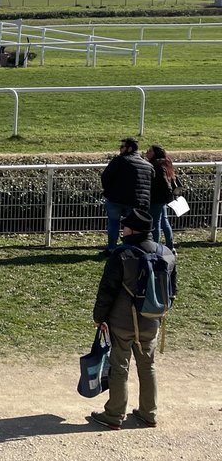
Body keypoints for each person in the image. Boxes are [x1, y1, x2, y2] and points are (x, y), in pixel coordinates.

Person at [90, 208, 177, 430]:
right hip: (152, 320)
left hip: (122, 322)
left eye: (125, 226)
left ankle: (114, 414)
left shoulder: (122, 254)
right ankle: (149, 413)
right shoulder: (167, 253)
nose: (122, 229)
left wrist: (99, 317)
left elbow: (106, 290)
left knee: (119, 366)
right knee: (148, 365)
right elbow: (173, 291)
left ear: (133, 229)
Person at [100, 137, 153, 254]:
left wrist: (108, 191)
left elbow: (105, 177)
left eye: (122, 147)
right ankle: (129, 249)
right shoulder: (147, 165)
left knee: (113, 224)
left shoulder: (119, 160)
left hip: (115, 199)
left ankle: (112, 248)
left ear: (129, 148)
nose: (120, 149)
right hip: (136, 201)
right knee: (132, 227)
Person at [144, 145, 180, 250]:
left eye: (149, 151)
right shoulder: (165, 163)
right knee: (164, 221)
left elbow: (164, 184)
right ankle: (170, 246)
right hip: (162, 199)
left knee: (155, 224)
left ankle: (156, 248)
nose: (147, 152)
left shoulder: (157, 165)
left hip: (156, 199)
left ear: (155, 153)